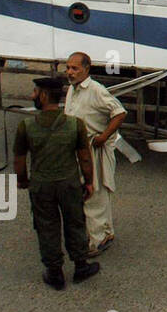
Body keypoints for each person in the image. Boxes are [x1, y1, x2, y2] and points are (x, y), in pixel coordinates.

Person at [14, 76, 101, 290]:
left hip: (41, 186)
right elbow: (85, 158)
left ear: (43, 96)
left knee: (47, 226)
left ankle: (55, 273)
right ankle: (81, 267)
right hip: (69, 184)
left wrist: (23, 180)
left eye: (35, 92)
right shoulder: (75, 125)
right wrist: (88, 182)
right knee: (75, 222)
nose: (32, 95)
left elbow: (19, 159)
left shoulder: (26, 126)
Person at [63, 52, 127, 258]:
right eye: (68, 68)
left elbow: (119, 112)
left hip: (94, 149)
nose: (70, 72)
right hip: (77, 149)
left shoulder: (95, 90)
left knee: (94, 195)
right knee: (88, 193)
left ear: (86, 69)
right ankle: (106, 233)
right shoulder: (72, 90)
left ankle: (96, 241)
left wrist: (104, 136)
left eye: (75, 68)